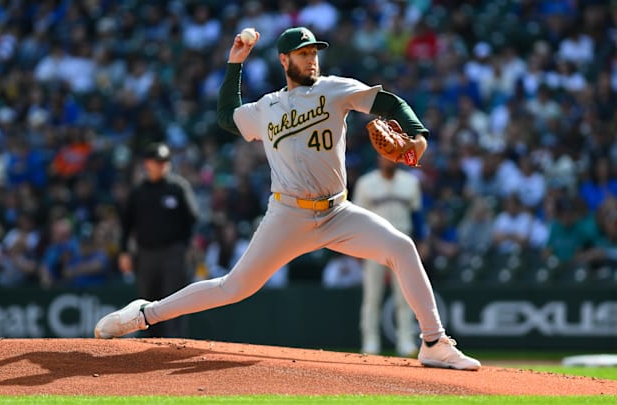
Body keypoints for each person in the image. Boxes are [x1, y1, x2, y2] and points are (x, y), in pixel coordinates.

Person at [95, 27, 480, 371]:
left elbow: (391, 104)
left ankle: (433, 343)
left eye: (314, 52)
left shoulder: (334, 89)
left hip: (337, 211)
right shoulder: (267, 108)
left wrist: (416, 137)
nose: (311, 59)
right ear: (284, 59)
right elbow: (228, 117)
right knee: (233, 288)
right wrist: (235, 64)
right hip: (288, 215)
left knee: (402, 246)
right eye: (303, 53)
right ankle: (144, 314)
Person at [117, 142, 199, 338]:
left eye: (164, 161)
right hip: (146, 254)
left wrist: (186, 246)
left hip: (173, 253)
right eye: (157, 161)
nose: (162, 165)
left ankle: (175, 344)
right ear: (147, 163)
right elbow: (126, 224)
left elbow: (193, 217)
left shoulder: (177, 187)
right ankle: (148, 348)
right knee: (147, 302)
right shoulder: (138, 192)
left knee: (175, 300)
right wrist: (124, 252)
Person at [353, 155, 422, 357]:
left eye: (392, 156)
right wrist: (358, 247)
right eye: (385, 157)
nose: (388, 160)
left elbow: (417, 217)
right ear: (378, 159)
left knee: (405, 297)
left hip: (402, 243)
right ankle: (370, 344)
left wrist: (422, 242)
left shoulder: (411, 183)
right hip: (374, 244)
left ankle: (406, 342)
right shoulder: (366, 183)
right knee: (372, 297)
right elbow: (358, 219)